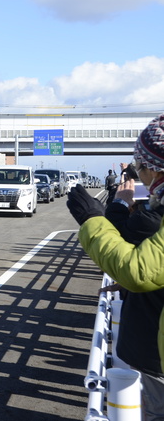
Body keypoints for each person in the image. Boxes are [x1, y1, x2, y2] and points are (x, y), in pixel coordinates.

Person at [67, 114, 164, 420]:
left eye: (141, 163)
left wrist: (93, 221)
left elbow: (137, 270)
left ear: (152, 166)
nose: (140, 173)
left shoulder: (153, 212)